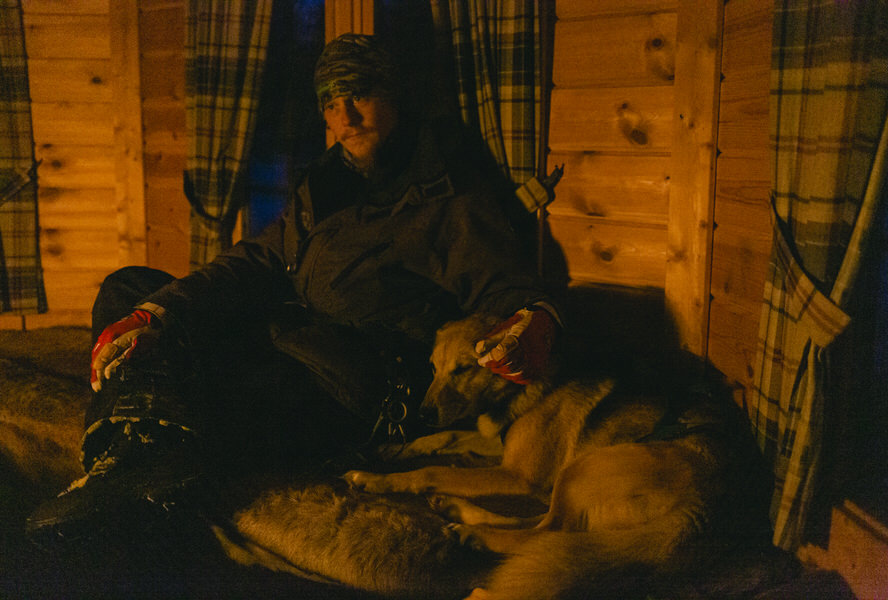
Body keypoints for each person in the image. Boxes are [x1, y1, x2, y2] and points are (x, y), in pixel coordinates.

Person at [26, 33, 561, 543]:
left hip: (351, 381)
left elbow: (507, 290)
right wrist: (155, 314)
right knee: (132, 288)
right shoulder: (327, 180)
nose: (344, 118)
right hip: (285, 335)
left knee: (211, 387)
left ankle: (130, 476)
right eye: (330, 103)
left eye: (359, 95)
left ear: (393, 95)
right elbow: (261, 256)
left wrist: (531, 321)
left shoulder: (448, 197)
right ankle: (134, 461)